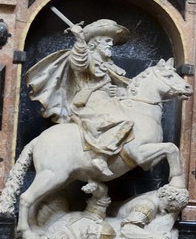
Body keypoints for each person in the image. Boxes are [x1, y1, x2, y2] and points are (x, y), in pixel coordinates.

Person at [25, 17, 135, 176]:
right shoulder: (88, 57)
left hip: (108, 101)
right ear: (95, 42)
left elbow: (123, 85)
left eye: (111, 41)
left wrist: (118, 92)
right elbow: (79, 62)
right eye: (106, 40)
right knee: (124, 120)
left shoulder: (109, 64)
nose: (111, 44)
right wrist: (80, 41)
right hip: (90, 102)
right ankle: (101, 156)